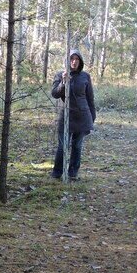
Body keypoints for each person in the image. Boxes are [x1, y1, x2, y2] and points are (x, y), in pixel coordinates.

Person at [51, 50, 96, 180]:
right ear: (67, 60)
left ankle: (73, 173)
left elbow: (90, 98)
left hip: (82, 117)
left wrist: (92, 118)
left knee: (77, 146)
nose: (74, 61)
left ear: (80, 61)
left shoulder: (85, 76)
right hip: (65, 116)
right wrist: (63, 82)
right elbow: (55, 94)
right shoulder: (60, 75)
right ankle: (57, 173)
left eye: (77, 59)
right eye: (71, 59)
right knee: (62, 146)